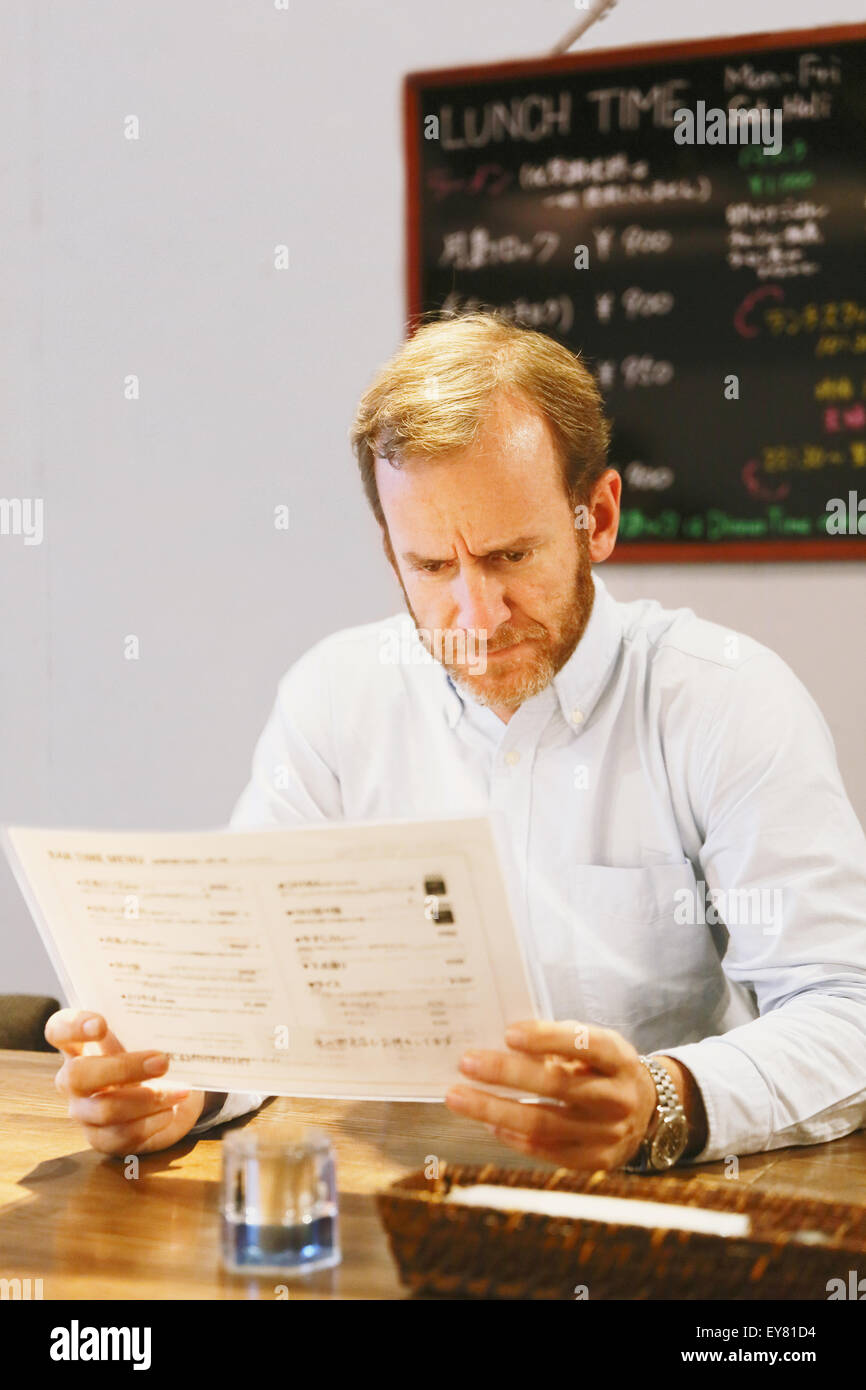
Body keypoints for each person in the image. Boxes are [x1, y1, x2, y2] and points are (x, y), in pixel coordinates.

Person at [47, 311, 866, 1170]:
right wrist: (183, 1086)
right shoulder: (336, 701)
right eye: (433, 567)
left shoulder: (726, 700)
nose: (477, 618)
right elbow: (257, 993)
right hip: (392, 1213)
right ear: (392, 553)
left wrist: (664, 1101)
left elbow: (846, 1009)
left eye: (512, 556)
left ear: (599, 516)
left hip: (671, 1218)